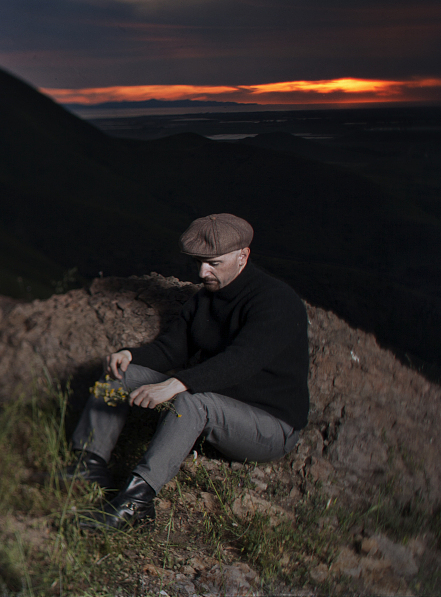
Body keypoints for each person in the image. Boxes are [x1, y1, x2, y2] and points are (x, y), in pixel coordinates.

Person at [62, 213, 309, 530]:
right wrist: (128, 355)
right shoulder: (204, 299)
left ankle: (136, 503)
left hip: (270, 426)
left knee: (193, 401)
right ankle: (89, 463)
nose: (202, 272)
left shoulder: (276, 302)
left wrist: (176, 384)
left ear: (243, 256)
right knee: (122, 374)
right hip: (215, 400)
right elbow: (171, 350)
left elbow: (242, 361)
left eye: (214, 263)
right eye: (199, 262)